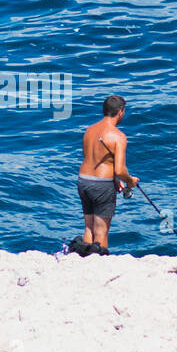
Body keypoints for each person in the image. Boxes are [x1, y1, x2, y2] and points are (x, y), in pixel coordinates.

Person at [74, 95, 138, 254]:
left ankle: (84, 261)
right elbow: (120, 170)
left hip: (83, 181)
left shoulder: (89, 130)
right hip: (102, 186)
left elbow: (91, 157)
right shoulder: (118, 136)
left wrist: (114, 180)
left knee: (89, 228)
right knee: (101, 232)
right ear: (121, 112)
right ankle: (100, 264)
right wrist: (130, 181)